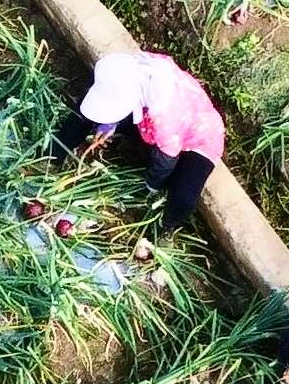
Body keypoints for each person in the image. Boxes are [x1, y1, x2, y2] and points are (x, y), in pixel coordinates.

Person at [51, 46, 223, 242]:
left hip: (196, 139)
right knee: (83, 114)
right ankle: (53, 155)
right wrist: (108, 123)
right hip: (148, 117)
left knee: (184, 196)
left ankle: (166, 227)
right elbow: (116, 96)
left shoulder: (166, 118)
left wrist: (149, 188)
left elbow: (164, 161)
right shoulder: (139, 69)